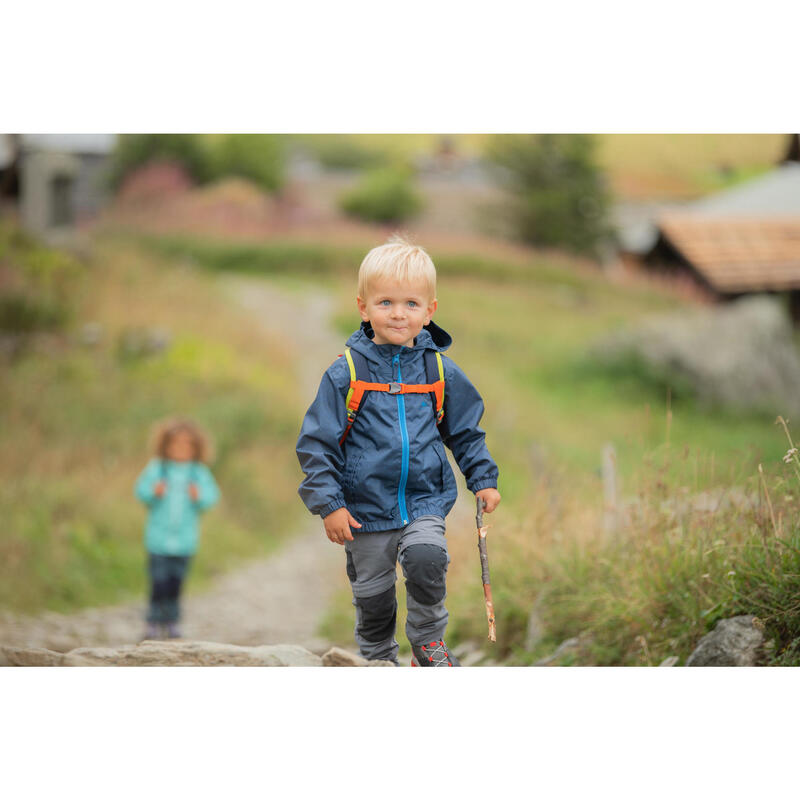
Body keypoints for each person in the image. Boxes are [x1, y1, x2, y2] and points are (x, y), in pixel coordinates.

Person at [296, 235, 500, 666]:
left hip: (425, 498)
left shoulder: (437, 369)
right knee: (373, 595)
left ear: (430, 311)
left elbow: (464, 431)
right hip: (363, 507)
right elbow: (317, 444)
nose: (398, 313)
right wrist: (329, 504)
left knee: (428, 558)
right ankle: (376, 657)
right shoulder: (345, 372)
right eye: (385, 302)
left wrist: (482, 478)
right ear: (363, 307)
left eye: (411, 303)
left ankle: (427, 641)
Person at [134, 418, 220, 640]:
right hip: (158, 539)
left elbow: (211, 497)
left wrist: (198, 496)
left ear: (196, 448)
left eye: (187, 445)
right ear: (165, 446)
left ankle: (172, 620)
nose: (181, 449)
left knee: (175, 583)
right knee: (158, 582)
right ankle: (153, 621)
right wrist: (154, 491)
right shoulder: (158, 469)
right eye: (175, 444)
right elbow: (141, 491)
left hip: (185, 541)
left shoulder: (198, 473)